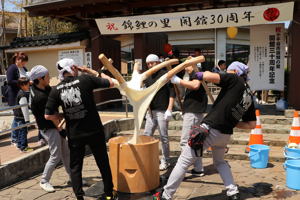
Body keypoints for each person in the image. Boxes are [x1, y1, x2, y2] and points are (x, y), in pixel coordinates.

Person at [154, 62, 256, 200]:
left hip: (210, 129)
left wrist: (193, 75)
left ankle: (165, 196)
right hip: (225, 134)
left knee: (183, 162)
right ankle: (233, 192)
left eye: (229, 70)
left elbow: (208, 76)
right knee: (220, 162)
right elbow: (251, 124)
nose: (226, 72)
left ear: (235, 71)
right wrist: (233, 122)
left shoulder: (234, 78)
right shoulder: (249, 95)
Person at [44, 58, 118, 200]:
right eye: (75, 67)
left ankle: (79, 197)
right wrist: (89, 71)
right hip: (94, 131)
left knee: (76, 167)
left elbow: (47, 115)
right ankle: (109, 195)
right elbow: (111, 82)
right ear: (72, 68)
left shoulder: (56, 90)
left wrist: (61, 114)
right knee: (102, 162)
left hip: (74, 134)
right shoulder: (86, 79)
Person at [29, 65, 71, 193]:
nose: (49, 78)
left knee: (66, 153)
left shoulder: (41, 88)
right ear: (40, 79)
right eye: (47, 76)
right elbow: (50, 116)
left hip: (53, 125)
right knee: (56, 155)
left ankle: (73, 177)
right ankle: (44, 181)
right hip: (49, 127)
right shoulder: (39, 96)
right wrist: (60, 128)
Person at [143, 54, 175, 171]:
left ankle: (166, 160)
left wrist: (169, 109)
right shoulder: (147, 76)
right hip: (151, 110)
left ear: (158, 62)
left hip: (162, 110)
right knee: (146, 135)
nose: (150, 65)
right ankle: (147, 158)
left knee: (164, 137)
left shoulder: (165, 74)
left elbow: (172, 92)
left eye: (152, 63)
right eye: (148, 64)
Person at [177, 64, 208, 176]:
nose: (186, 67)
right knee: (196, 142)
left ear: (195, 66)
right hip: (193, 112)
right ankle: (198, 168)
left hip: (193, 113)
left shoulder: (197, 75)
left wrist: (178, 81)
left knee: (185, 142)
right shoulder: (194, 76)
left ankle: (181, 170)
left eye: (188, 65)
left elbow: (195, 86)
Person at [6, 52, 29, 146]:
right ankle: (15, 138)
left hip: (22, 95)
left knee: (17, 117)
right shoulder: (12, 68)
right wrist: (22, 82)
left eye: (25, 63)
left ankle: (14, 138)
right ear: (18, 60)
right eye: (23, 62)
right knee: (18, 117)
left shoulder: (23, 68)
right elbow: (10, 81)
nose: (24, 64)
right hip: (14, 96)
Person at [13, 77, 32, 152]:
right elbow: (24, 109)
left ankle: (20, 145)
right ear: (23, 85)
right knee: (23, 132)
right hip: (21, 117)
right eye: (28, 84)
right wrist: (27, 121)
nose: (29, 86)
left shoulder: (20, 92)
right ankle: (24, 147)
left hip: (18, 116)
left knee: (21, 131)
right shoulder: (22, 95)